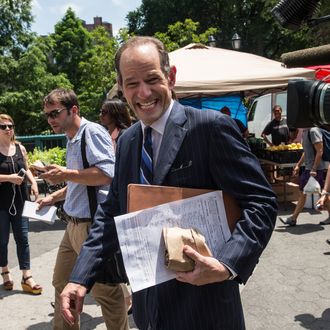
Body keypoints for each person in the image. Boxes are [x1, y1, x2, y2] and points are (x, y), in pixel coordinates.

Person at [60, 36, 277, 329]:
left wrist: (226, 264)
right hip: (149, 309)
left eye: (152, 79)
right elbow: (111, 214)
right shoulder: (127, 141)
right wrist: (79, 277)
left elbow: (261, 202)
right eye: (132, 83)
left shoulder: (210, 129)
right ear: (121, 87)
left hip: (205, 308)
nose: (144, 92)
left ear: (170, 77)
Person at [37, 89, 128, 330]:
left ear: (74, 110)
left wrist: (65, 174)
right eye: (47, 115)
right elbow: (81, 180)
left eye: (55, 113)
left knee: (106, 292)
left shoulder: (92, 132)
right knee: (61, 282)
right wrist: (54, 197)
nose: (50, 119)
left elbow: (108, 175)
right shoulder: (72, 137)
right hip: (73, 224)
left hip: (91, 224)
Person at [0, 114, 42, 294]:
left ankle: (27, 276)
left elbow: (25, 168)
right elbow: (12, 175)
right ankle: (5, 272)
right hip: (1, 203)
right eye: (3, 126)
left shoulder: (20, 148)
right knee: (2, 241)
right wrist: (10, 178)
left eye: (11, 125)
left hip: (20, 200)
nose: (8, 129)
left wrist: (32, 182)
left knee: (23, 239)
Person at [99, 98, 133, 313]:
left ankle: (133, 298)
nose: (100, 115)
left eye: (104, 111)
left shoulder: (125, 136)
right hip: (115, 200)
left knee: (126, 251)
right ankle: (129, 297)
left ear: (114, 113)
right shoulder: (109, 135)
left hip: (127, 200)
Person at [280, 127, 330, 226]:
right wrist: (298, 165)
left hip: (314, 169)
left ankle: (293, 218)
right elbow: (305, 152)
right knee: (322, 195)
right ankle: (293, 218)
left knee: (303, 192)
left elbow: (320, 151)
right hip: (310, 168)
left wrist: (314, 169)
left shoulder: (314, 131)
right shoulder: (305, 131)